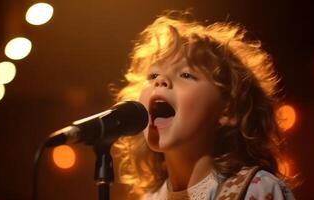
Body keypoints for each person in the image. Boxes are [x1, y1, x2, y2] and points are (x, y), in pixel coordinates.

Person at [113, 10, 295, 200]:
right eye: (152, 76)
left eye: (185, 74)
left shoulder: (256, 189)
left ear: (228, 108)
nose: (160, 81)